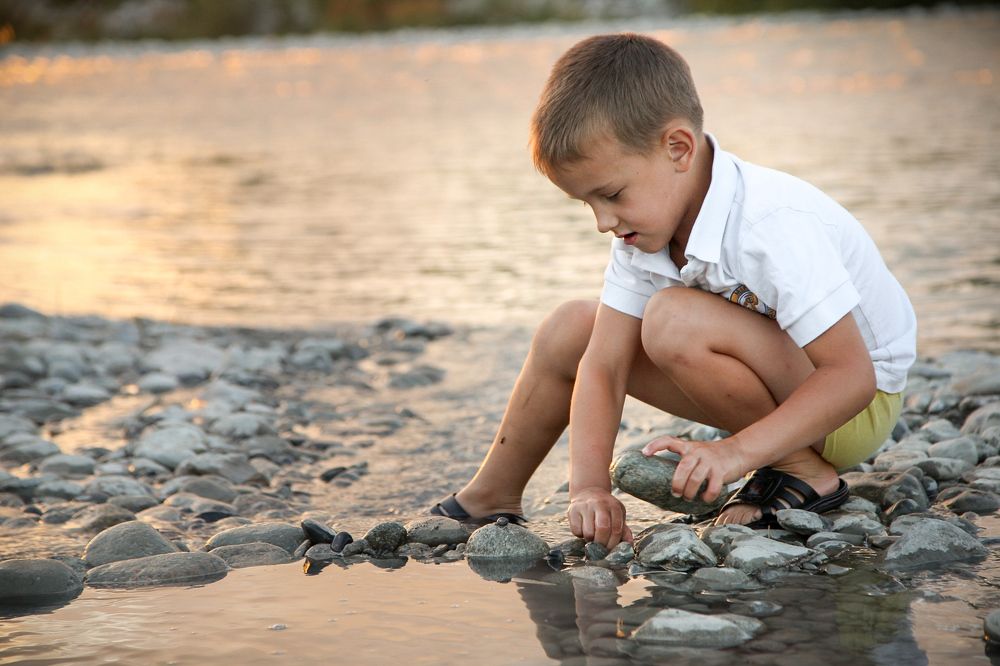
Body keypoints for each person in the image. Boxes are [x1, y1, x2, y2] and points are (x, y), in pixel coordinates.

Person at [431, 33, 916, 549]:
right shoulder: (644, 232)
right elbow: (603, 364)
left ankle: (803, 471)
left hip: (853, 407)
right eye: (586, 203)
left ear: (678, 148)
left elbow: (852, 376)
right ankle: (489, 497)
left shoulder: (769, 224)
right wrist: (589, 489)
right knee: (570, 329)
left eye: (612, 194)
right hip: (788, 385)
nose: (602, 222)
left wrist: (735, 453)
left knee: (672, 319)